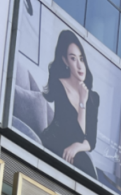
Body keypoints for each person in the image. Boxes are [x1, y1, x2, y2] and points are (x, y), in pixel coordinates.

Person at [40, 30, 100, 179]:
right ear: (65, 61)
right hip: (54, 141)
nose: (80, 66)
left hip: (72, 150)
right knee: (82, 163)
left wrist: (76, 147)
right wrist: (82, 102)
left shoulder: (93, 97)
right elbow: (77, 135)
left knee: (84, 164)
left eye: (81, 59)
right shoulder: (59, 85)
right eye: (73, 59)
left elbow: (91, 141)